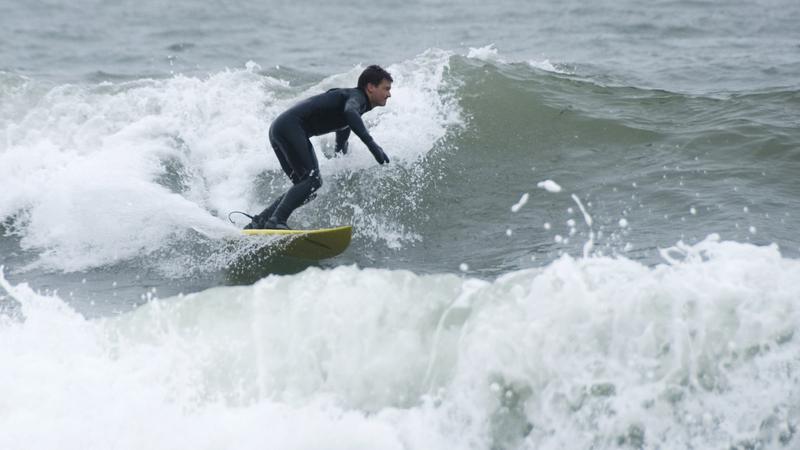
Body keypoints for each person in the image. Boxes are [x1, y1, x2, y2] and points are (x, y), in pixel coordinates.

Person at [243, 65, 393, 230]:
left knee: (306, 189)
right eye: (386, 88)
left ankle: (260, 221)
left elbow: (345, 125)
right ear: (370, 87)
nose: (389, 94)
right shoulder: (357, 97)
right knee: (312, 180)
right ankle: (277, 220)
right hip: (290, 127)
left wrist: (340, 151)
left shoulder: (352, 101)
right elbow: (350, 114)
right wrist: (373, 146)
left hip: (280, 128)